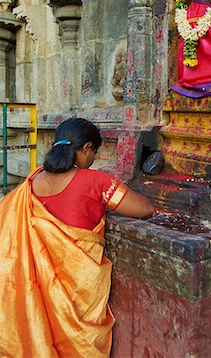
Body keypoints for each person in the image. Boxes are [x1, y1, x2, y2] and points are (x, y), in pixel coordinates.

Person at [0, 117, 154, 358]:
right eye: (94, 153)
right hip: (78, 297)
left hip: (36, 297)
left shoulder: (32, 180)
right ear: (86, 148)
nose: (92, 160)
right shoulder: (95, 181)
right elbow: (145, 208)